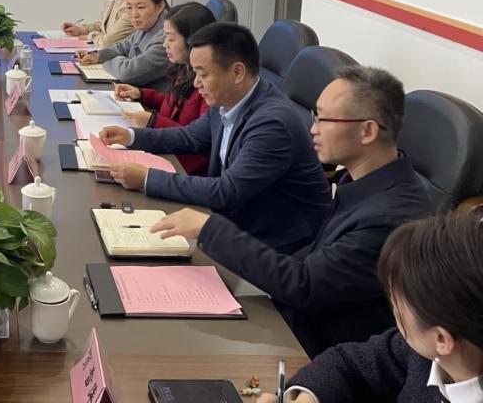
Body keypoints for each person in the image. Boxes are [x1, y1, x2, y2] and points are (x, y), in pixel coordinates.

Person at [151, 66, 431, 356]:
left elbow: (304, 285)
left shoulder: (390, 218)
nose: (313, 129)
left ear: (367, 131)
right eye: (314, 116)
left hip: (320, 349)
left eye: (324, 119)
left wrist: (210, 229)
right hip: (298, 319)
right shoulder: (364, 182)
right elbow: (313, 259)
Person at [98, 22, 330, 253]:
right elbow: (190, 137)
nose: (196, 83)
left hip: (278, 243)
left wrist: (147, 178)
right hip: (237, 217)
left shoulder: (272, 124)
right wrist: (131, 136)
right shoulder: (227, 99)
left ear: (237, 73)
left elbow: (227, 191)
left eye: (203, 74)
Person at [257, 211, 483, 403]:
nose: (393, 309)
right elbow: (351, 363)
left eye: (397, 302)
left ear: (442, 339)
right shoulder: (424, 353)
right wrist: (309, 398)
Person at [112, 1, 216, 175]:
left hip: (185, 167)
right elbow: (171, 104)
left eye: (171, 38)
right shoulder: (183, 69)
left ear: (193, 40)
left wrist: (153, 121)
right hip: (164, 150)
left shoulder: (208, 85)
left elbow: (198, 139)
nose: (164, 44)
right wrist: (142, 94)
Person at [75, 0, 169, 88]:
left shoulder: (168, 38)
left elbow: (127, 73)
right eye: (129, 7)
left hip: (151, 96)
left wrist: (108, 62)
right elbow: (122, 48)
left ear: (160, 6)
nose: (134, 14)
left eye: (141, 7)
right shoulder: (147, 25)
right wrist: (98, 56)